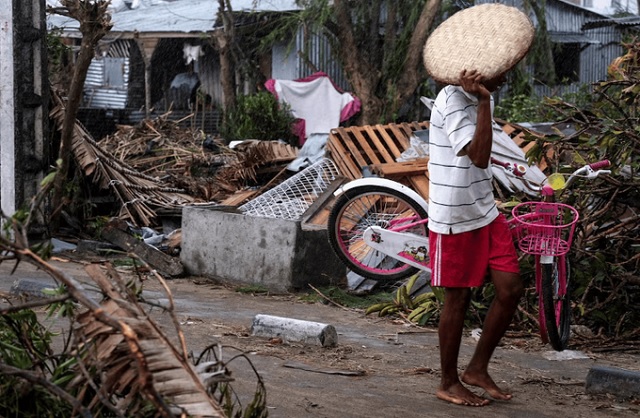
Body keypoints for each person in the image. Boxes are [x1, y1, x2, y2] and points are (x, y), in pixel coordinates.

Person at [427, 68, 524, 407]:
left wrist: (484, 100)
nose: (505, 79)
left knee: (510, 288)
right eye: (500, 73)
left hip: (484, 208)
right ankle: (448, 382)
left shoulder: (483, 98)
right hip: (454, 215)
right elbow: (479, 156)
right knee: (458, 298)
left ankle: (477, 368)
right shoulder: (452, 99)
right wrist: (484, 102)